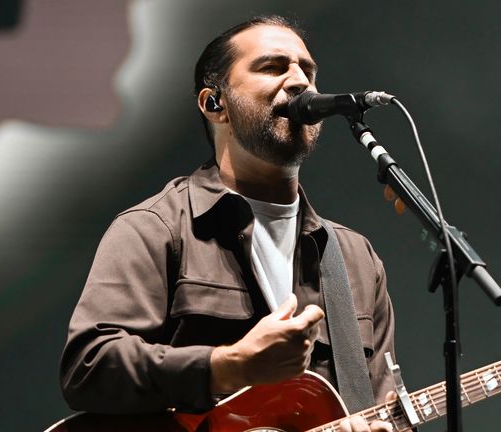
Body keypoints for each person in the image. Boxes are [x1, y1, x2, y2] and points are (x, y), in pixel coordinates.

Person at [60, 15, 398, 432]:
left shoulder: (355, 259)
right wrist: (229, 366)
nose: (299, 82)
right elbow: (89, 367)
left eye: (307, 71)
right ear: (214, 104)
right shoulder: (157, 228)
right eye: (272, 67)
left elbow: (379, 408)